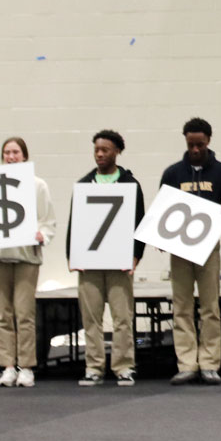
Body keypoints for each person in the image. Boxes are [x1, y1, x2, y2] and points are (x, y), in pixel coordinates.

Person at [0, 137, 56, 388]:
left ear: (24, 156)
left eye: (15, 152)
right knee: (4, 314)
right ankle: (8, 365)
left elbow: (47, 220)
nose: (11, 156)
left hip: (26, 258)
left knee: (24, 314)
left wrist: (43, 235)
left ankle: (27, 366)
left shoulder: (37, 185)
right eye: (7, 152)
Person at [160, 117, 221, 385]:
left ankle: (209, 363)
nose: (195, 149)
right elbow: (163, 210)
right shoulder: (172, 173)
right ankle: (186, 363)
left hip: (208, 248)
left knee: (210, 307)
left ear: (209, 141)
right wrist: (159, 237)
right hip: (179, 249)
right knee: (181, 307)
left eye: (200, 145)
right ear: (185, 141)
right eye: (191, 144)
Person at [65, 130, 145, 387]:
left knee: (123, 318)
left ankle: (123, 366)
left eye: (105, 150)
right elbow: (74, 223)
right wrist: (72, 256)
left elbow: (139, 223)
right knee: (91, 319)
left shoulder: (130, 184)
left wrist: (136, 256)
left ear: (117, 152)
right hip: (89, 262)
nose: (100, 154)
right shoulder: (84, 184)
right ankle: (94, 367)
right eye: (97, 150)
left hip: (119, 262)